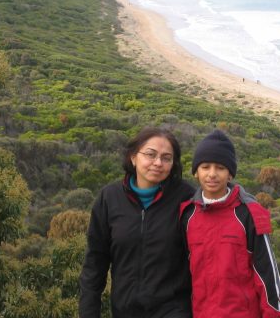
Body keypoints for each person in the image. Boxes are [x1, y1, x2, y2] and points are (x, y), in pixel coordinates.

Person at [79, 127, 195, 318]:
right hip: (125, 311)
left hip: (174, 310)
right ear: (133, 157)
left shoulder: (187, 199)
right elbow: (95, 263)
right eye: (151, 154)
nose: (158, 163)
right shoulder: (110, 198)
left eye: (166, 158)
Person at [180, 130, 280, 318]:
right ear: (196, 172)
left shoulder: (249, 214)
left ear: (230, 174)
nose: (212, 174)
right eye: (205, 167)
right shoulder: (187, 215)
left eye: (220, 168)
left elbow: (267, 274)